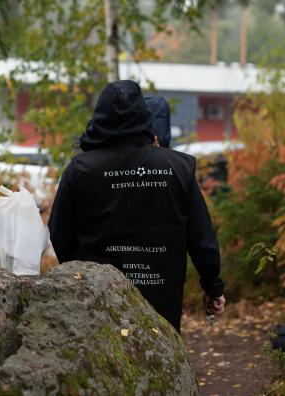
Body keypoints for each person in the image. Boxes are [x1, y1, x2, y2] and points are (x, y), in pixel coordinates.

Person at [49, 80, 225, 332]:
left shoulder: (80, 170)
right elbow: (201, 238)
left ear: (100, 116)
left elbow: (59, 233)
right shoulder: (178, 168)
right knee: (160, 359)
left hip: (98, 297)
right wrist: (212, 286)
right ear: (144, 115)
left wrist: (79, 274)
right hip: (161, 298)